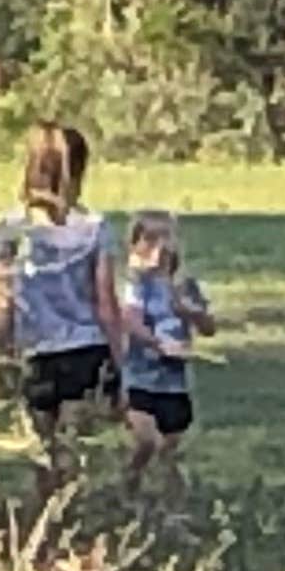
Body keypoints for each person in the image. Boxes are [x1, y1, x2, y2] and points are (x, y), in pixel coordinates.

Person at [0, 123, 120, 500]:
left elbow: (2, 297)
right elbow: (105, 302)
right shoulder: (94, 228)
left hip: (35, 354)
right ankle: (70, 516)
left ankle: (45, 521)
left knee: (43, 453)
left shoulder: (13, 228)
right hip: (86, 350)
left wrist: (4, 352)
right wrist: (121, 359)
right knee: (72, 449)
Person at [116, 209, 214, 516]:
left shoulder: (186, 286)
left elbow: (209, 327)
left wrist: (191, 313)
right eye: (149, 239)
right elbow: (130, 320)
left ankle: (171, 507)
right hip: (140, 375)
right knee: (146, 439)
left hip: (174, 381)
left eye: (165, 238)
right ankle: (129, 484)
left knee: (170, 448)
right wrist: (156, 343)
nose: (159, 247)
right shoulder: (137, 284)